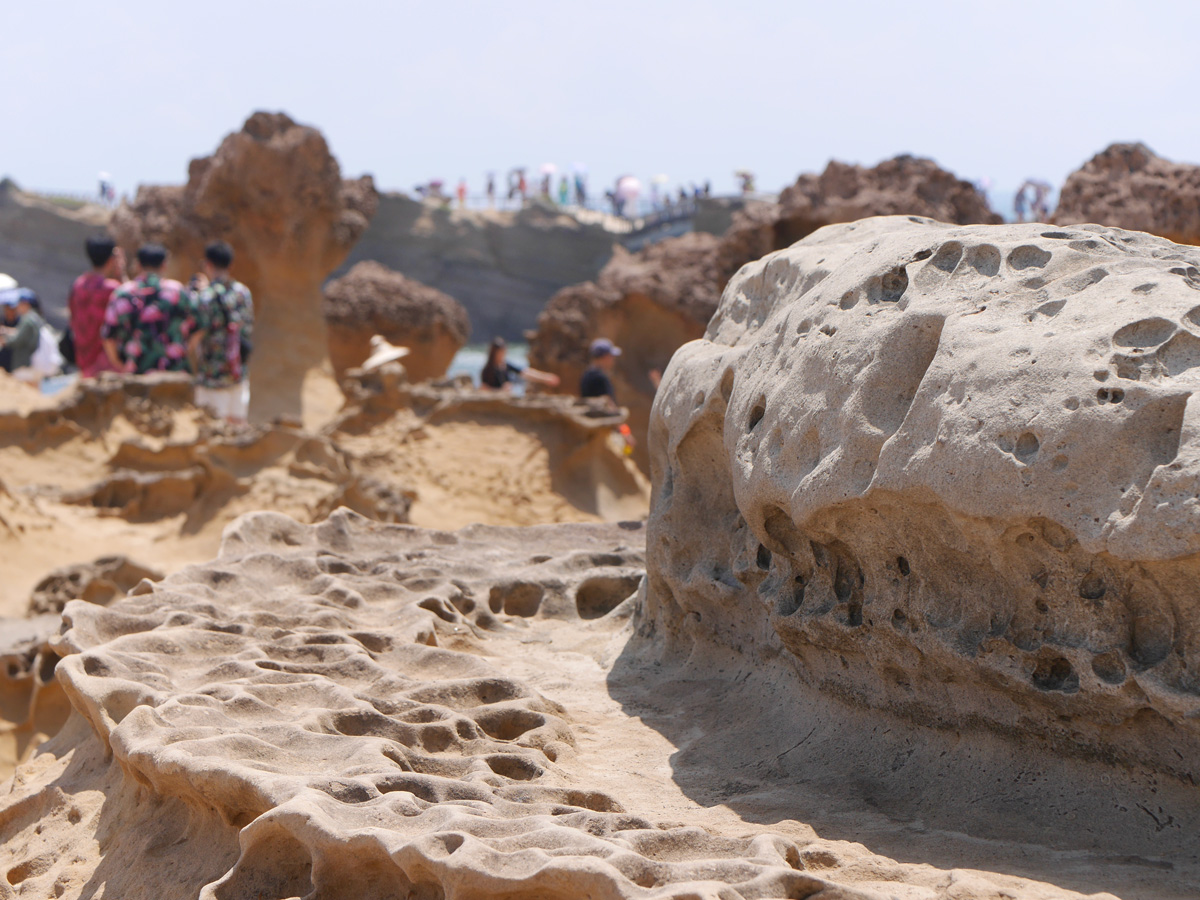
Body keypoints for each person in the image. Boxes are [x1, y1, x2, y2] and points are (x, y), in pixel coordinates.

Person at [102, 243, 195, 374]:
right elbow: (199, 323)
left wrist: (119, 364)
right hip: (174, 375)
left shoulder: (122, 294)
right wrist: (185, 349)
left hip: (135, 374)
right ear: (164, 265)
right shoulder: (178, 292)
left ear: (138, 265)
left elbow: (108, 335)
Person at [187, 241, 254, 423]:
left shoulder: (204, 297)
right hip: (237, 374)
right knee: (237, 429)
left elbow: (196, 333)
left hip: (211, 378)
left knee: (211, 431)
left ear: (207, 264)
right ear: (230, 265)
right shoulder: (243, 293)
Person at [68, 236, 126, 377]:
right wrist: (122, 272)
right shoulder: (113, 289)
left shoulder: (79, 285)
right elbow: (130, 304)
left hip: (83, 361)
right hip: (108, 364)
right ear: (112, 259)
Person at [480, 336, 560, 391]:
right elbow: (483, 389)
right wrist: (501, 390)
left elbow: (526, 372)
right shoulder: (487, 370)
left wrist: (545, 378)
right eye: (500, 353)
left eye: (503, 352)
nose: (502, 355)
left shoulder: (505, 366)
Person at [0, 289, 47, 374]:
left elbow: (16, 340)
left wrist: (4, 340)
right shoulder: (36, 317)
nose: (17, 307)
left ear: (25, 304)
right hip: (34, 361)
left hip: (24, 362)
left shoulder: (28, 319)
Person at [580, 338, 621, 408]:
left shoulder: (587, 374)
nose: (613, 360)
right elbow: (608, 403)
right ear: (605, 357)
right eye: (611, 356)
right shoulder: (600, 378)